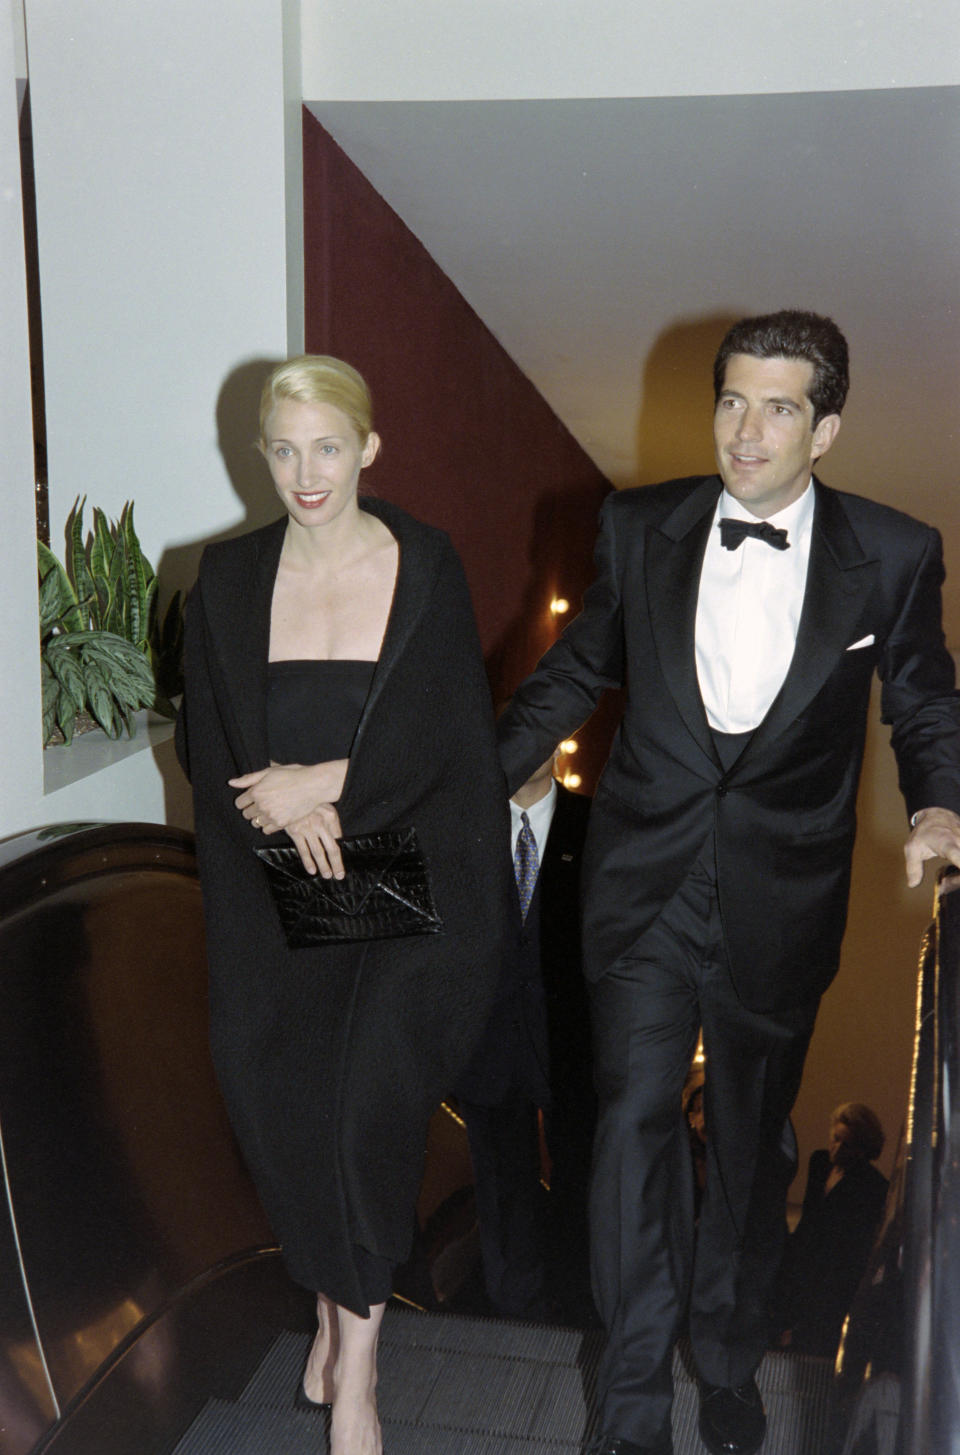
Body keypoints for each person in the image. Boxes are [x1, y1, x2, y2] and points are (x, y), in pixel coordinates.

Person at [496, 310, 960, 1455]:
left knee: (752, 1157)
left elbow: (923, 696)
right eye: (732, 403)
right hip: (645, 884)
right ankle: (634, 1399)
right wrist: (473, 778)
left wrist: (941, 801)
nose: (747, 433)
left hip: (780, 904)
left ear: (828, 427)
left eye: (780, 408)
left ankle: (732, 1349)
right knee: (634, 1124)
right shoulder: (639, 524)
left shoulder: (892, 553)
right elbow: (578, 671)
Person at [175, 355, 508, 1455]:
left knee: (365, 1110)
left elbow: (454, 736)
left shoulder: (425, 565)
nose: (306, 472)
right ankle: (332, 1300)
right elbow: (209, 738)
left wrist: (331, 786)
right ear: (260, 456)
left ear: (368, 448)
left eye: (328, 447)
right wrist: (280, 810)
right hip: (276, 883)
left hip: (408, 880)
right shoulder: (224, 578)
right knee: (281, 1113)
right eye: (284, 449)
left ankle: (357, 1376)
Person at [457, 753, 595, 1323]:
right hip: (487, 1042)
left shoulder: (596, 823)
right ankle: (512, 1311)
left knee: (582, 1176)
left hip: (574, 1041)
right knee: (500, 1181)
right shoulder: (464, 826)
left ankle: (578, 1302)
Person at [772, 1102, 888, 1357]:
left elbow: (852, 1243)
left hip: (832, 1268)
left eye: (846, 1144)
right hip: (802, 1253)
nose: (837, 1148)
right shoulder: (820, 1162)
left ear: (861, 1149)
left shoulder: (872, 1185)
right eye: (835, 1139)